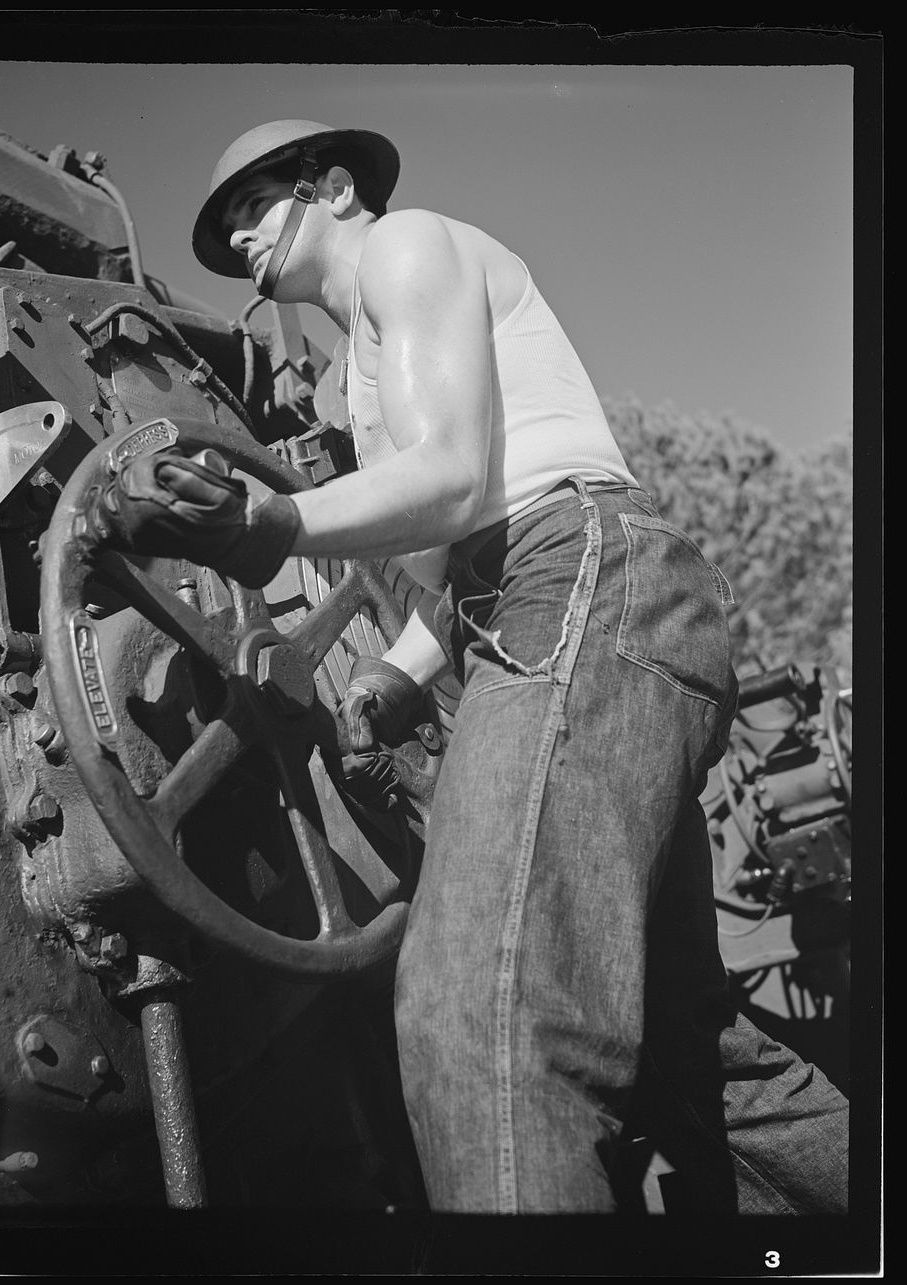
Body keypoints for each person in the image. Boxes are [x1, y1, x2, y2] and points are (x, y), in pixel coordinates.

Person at [100, 120, 850, 1213]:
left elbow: (456, 482)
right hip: (584, 609)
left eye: (257, 204)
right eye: (222, 227)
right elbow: (450, 564)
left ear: (335, 187)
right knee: (690, 1056)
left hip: (575, 581)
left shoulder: (406, 248)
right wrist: (390, 682)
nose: (239, 235)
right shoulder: (359, 376)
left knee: (478, 1017)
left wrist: (272, 522)